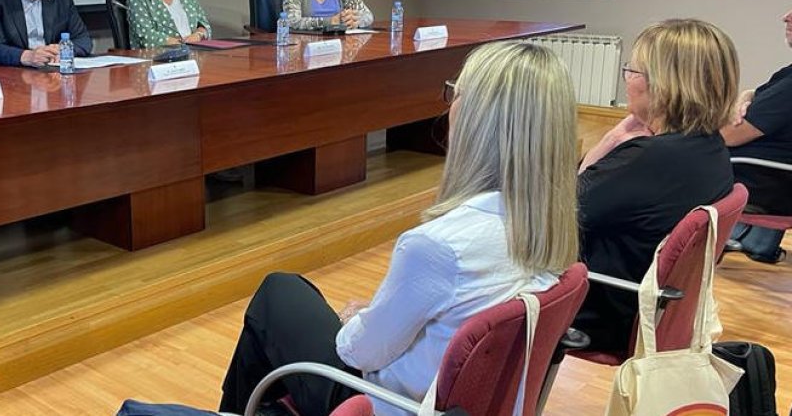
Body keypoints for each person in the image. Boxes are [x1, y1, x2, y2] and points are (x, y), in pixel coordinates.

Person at [218, 42, 579, 416]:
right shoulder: (547, 227)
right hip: (442, 397)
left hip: (379, 402)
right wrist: (377, 312)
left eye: (456, 94)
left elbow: (358, 352)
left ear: (477, 121)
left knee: (277, 293)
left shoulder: (439, 246)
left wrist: (359, 320)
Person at [576, 19, 738, 353]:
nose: (626, 78)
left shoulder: (648, 159)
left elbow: (551, 216)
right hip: (652, 308)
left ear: (664, 85)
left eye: (632, 70)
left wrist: (613, 139)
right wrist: (617, 137)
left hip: (600, 310)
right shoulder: (711, 147)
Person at [720, 7, 792, 263]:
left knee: (675, 152)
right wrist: (746, 95)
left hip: (761, 181)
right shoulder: (787, 75)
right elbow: (755, 95)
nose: (786, 16)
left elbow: (728, 135)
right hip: (770, 176)